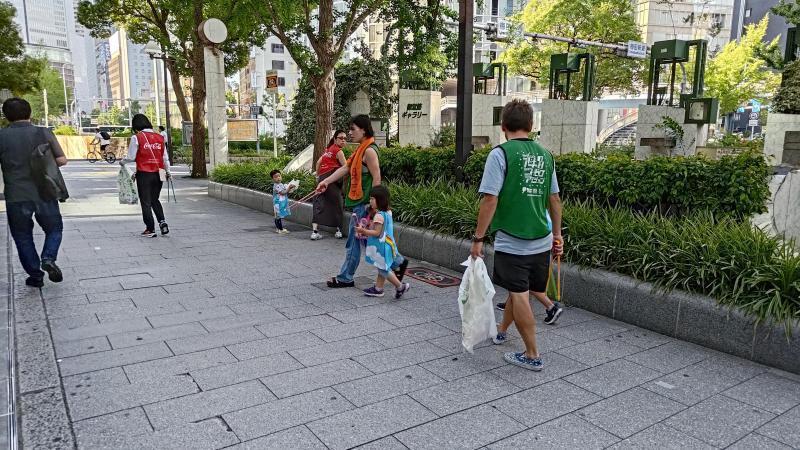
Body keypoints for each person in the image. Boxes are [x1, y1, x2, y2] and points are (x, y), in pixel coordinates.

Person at [470, 99, 563, 372]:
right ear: (531, 126)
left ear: (503, 126)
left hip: (514, 240)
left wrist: (478, 239)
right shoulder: (546, 155)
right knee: (519, 291)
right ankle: (501, 330)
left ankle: (532, 354)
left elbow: (489, 199)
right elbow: (555, 200)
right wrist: (558, 236)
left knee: (519, 294)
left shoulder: (500, 154)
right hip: (542, 238)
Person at [0, 98, 67, 287]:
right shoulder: (43, 133)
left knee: (22, 236)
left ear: (6, 116)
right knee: (54, 228)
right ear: (29, 113)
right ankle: (48, 257)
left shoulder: (2, 136)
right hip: (44, 190)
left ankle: (35, 276)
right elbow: (62, 160)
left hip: (16, 194)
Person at [316, 115, 384, 288]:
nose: (349, 133)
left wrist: (373, 205)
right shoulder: (361, 149)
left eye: (353, 129)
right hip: (359, 203)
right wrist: (326, 182)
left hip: (364, 204)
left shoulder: (368, 150)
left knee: (355, 240)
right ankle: (397, 263)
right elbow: (345, 168)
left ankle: (346, 277)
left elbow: (377, 178)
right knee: (371, 240)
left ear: (364, 129)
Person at [494, 210, 564, 325]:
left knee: (524, 284)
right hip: (543, 248)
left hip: (534, 249)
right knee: (519, 283)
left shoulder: (535, 209)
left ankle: (551, 307)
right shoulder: (542, 208)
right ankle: (510, 304)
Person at [120, 114, 170, 238]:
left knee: (146, 202)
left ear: (136, 126)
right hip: (160, 172)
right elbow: (165, 158)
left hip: (145, 173)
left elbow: (131, 157)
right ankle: (162, 222)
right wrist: (168, 171)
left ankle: (150, 228)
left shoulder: (137, 137)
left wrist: (122, 162)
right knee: (155, 199)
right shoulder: (160, 137)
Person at [356, 185, 410, 299]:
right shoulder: (388, 212)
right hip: (388, 245)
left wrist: (363, 230)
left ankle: (400, 287)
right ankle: (378, 288)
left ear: (379, 200)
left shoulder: (378, 215)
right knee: (382, 267)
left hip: (381, 248)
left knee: (384, 269)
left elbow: (377, 233)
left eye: (372, 199)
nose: (370, 201)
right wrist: (367, 224)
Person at [311, 130, 347, 240]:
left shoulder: (328, 150)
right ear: (335, 139)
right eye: (341, 138)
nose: (343, 140)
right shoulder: (339, 152)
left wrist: (318, 176)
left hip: (322, 178)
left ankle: (314, 232)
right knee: (337, 203)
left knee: (318, 203)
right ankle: (338, 231)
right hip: (332, 180)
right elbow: (346, 167)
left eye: (345, 138)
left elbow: (318, 163)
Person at [271, 169, 296, 234]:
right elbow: (283, 192)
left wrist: (289, 187)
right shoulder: (276, 186)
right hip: (278, 203)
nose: (278, 178)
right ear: (273, 179)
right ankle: (280, 229)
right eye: (275, 177)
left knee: (278, 216)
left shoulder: (280, 184)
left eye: (279, 176)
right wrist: (289, 188)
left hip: (280, 202)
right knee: (278, 216)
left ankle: (278, 228)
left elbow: (285, 190)